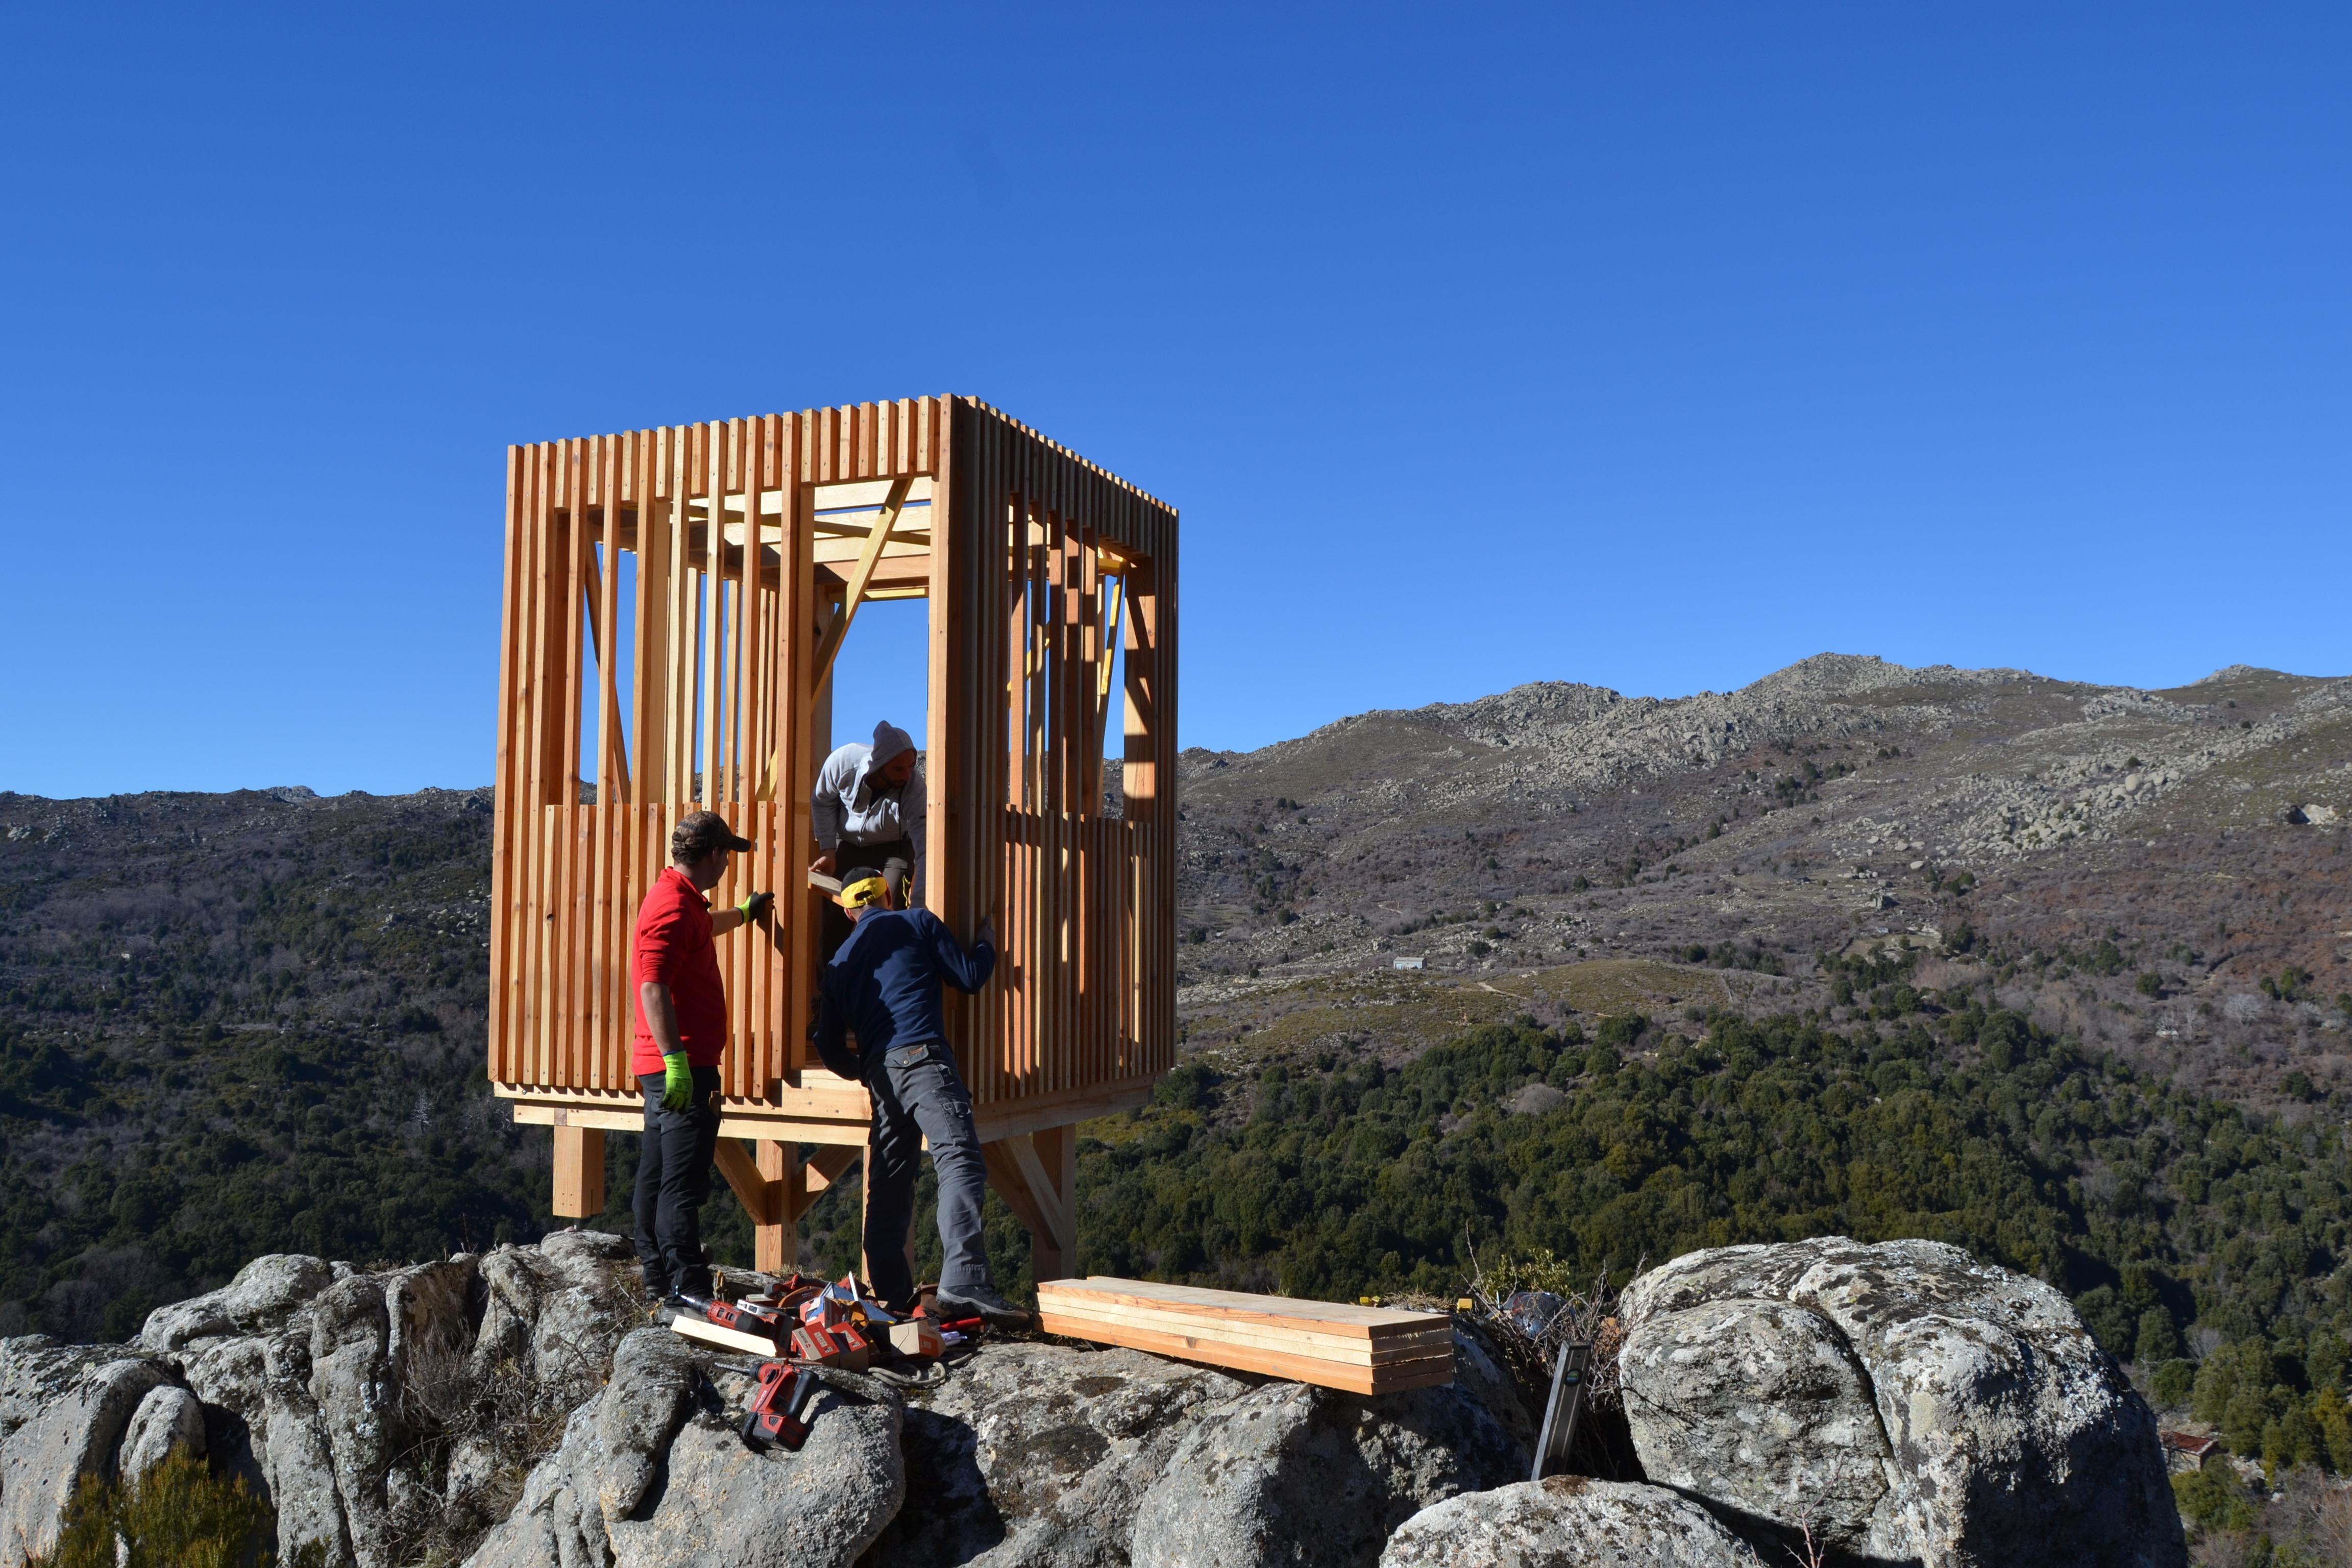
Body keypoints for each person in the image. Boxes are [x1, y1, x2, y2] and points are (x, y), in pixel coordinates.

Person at [812, 874, 1028, 1329]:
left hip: (880, 1075)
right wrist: (987, 945)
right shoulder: (916, 921)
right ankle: (964, 1280)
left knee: (889, 1184)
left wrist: (868, 1070)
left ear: (848, 912)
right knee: (959, 1160)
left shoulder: (838, 963)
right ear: (889, 895)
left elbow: (828, 1048)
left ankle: (893, 1301)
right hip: (925, 1058)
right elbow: (969, 978)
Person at [632, 810, 772, 1305]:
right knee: (683, 1182)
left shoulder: (679, 900)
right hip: (683, 1067)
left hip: (672, 1064)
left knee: (657, 1172)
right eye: (728, 854)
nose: (730, 863)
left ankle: (656, 1277)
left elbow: (701, 929)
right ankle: (686, 1289)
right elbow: (653, 988)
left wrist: (744, 913)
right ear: (714, 855)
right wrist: (675, 1061)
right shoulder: (672, 907)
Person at [811, 720, 924, 921]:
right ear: (880, 764)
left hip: (895, 849)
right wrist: (827, 849)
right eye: (898, 769)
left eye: (911, 766)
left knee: (890, 909)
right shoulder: (843, 761)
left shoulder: (914, 787)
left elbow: (925, 849)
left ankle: (890, 952)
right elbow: (821, 801)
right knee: (835, 915)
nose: (907, 775)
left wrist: (918, 904)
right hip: (847, 844)